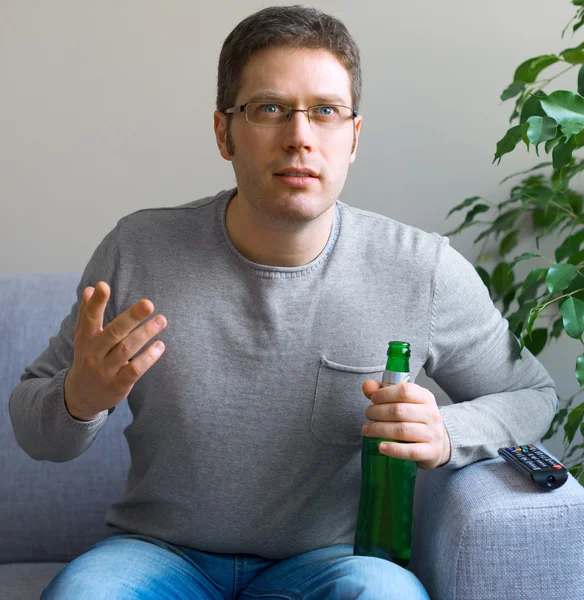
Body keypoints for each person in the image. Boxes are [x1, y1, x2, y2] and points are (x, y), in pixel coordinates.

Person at [9, 5, 557, 600]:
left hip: (334, 564)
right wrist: (78, 400)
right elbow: (36, 429)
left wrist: (447, 431)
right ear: (224, 132)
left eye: (325, 111)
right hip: (156, 556)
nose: (300, 136)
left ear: (353, 137)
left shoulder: (420, 269)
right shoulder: (138, 250)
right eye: (270, 109)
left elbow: (533, 394)